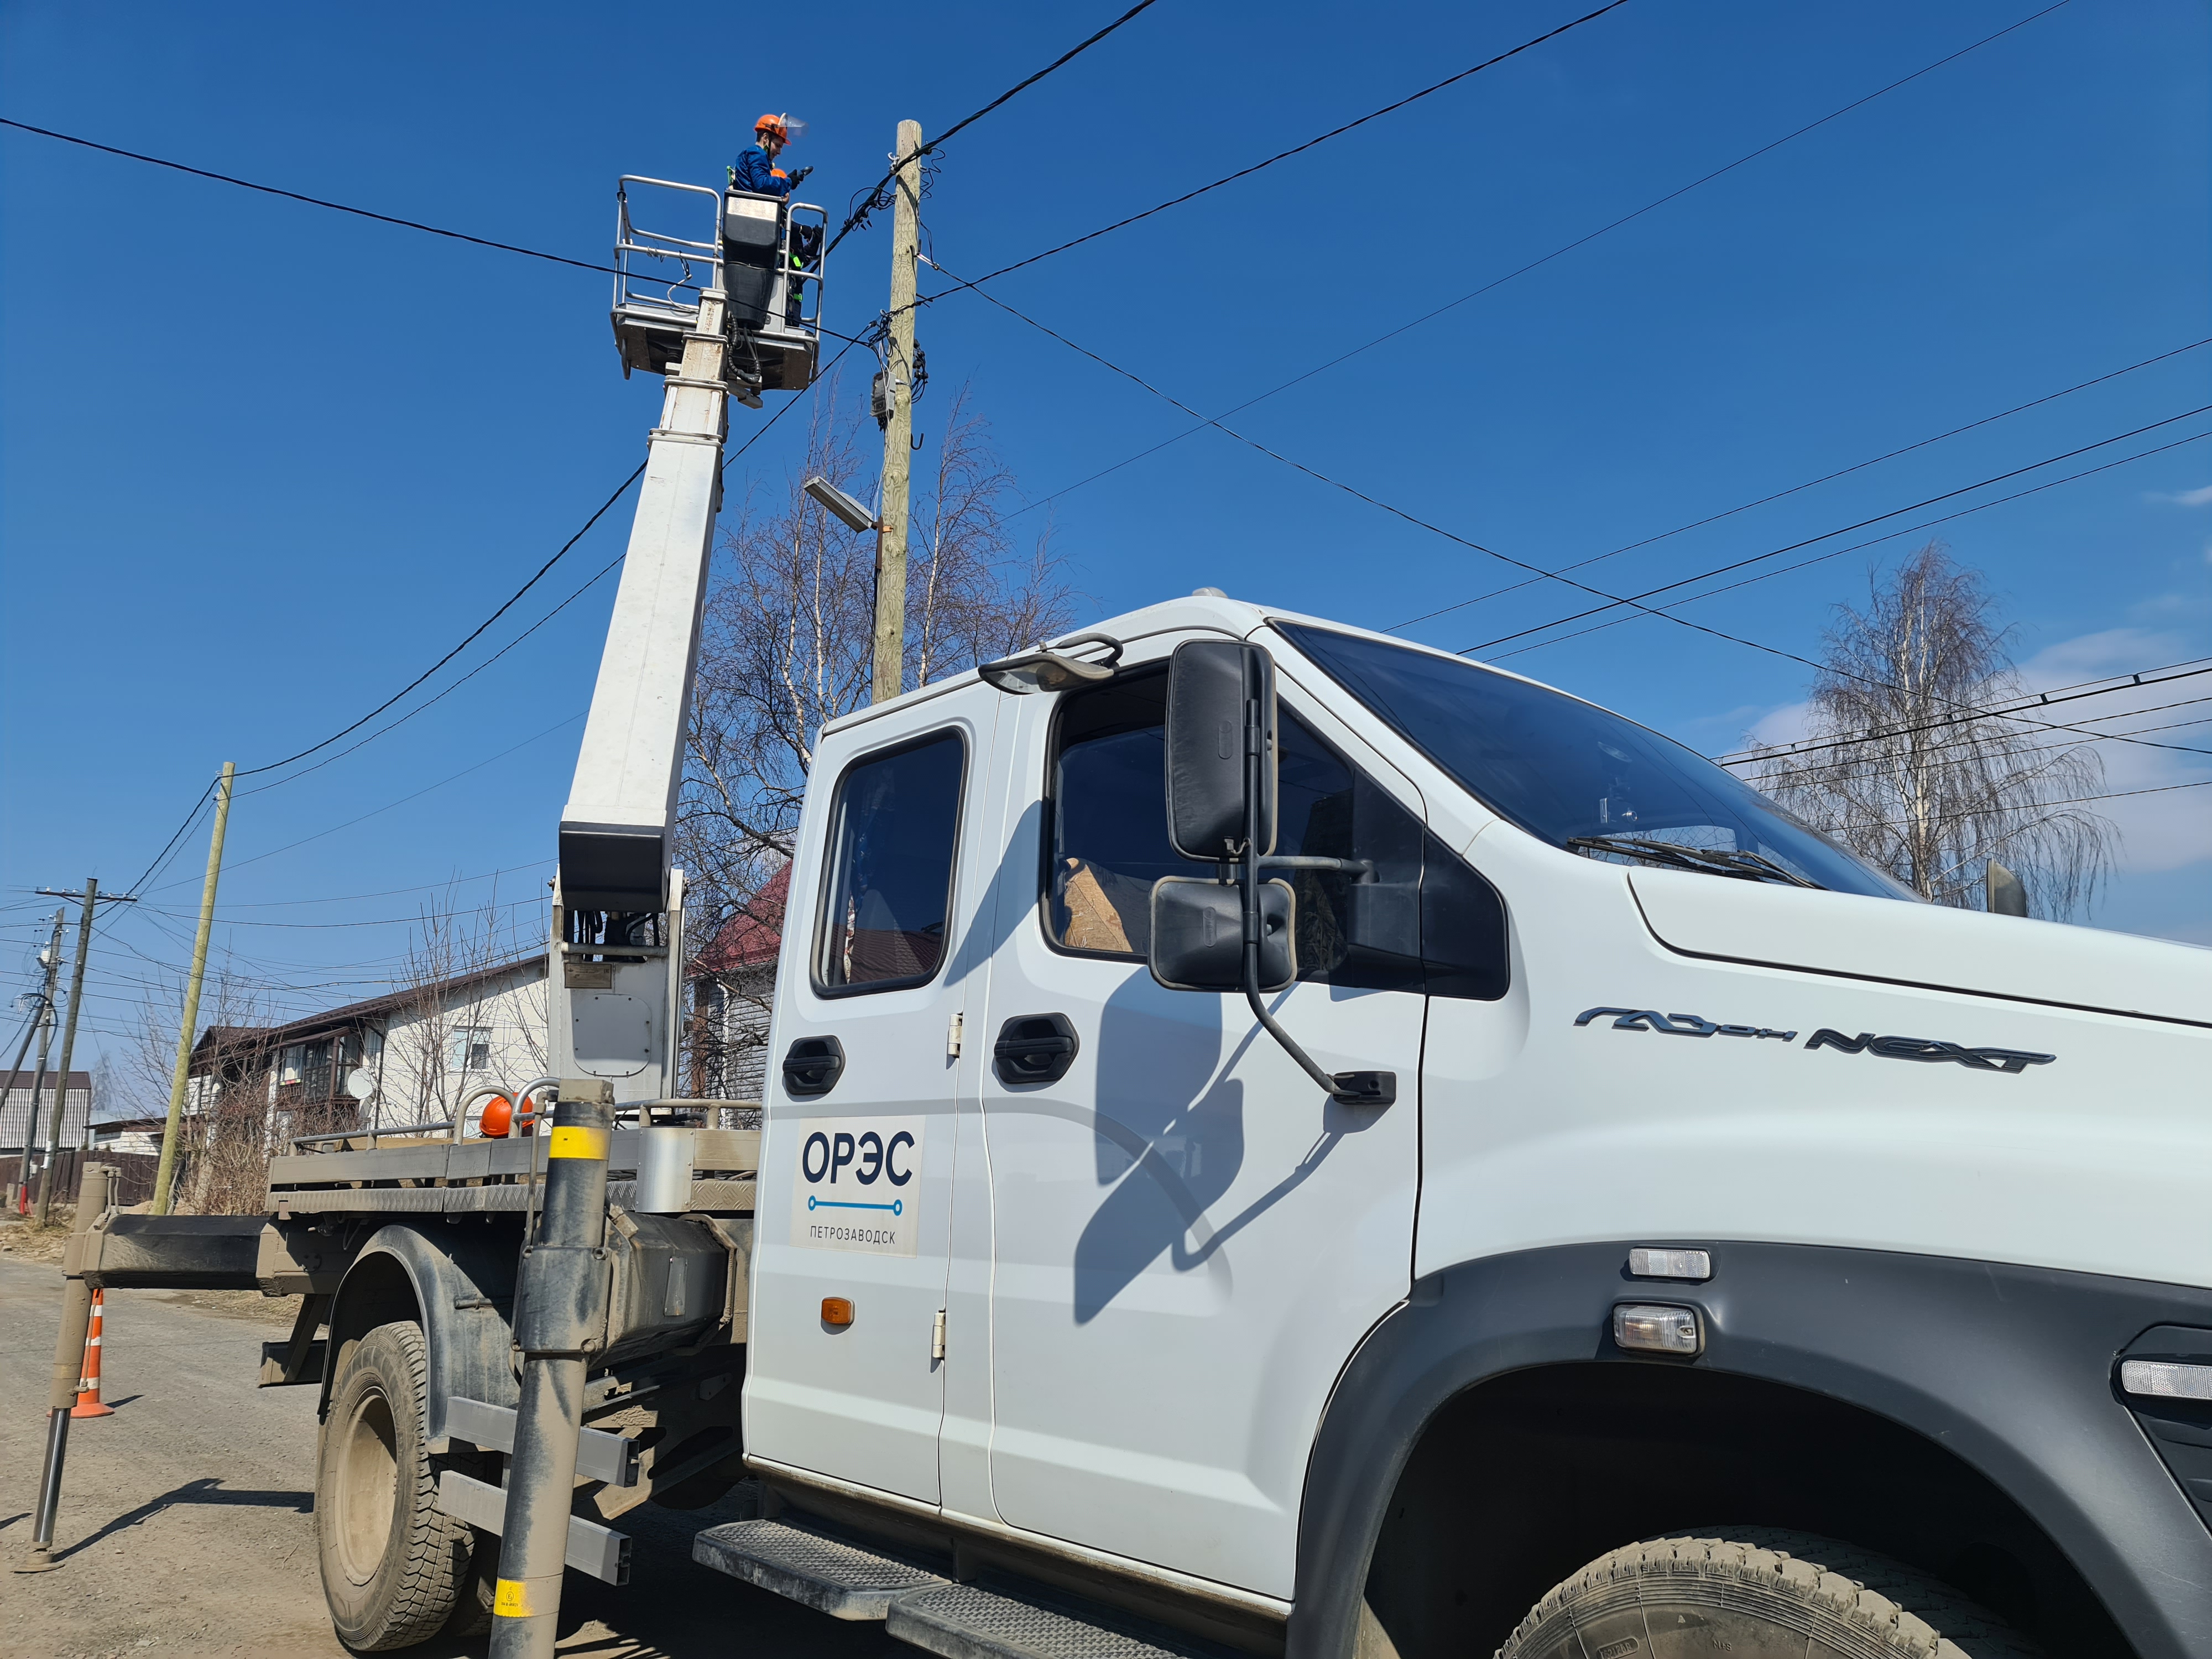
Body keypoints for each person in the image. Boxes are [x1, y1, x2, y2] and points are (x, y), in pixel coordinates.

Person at [730, 113, 812, 199]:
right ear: (766, 138)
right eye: (777, 145)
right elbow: (762, 184)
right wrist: (789, 182)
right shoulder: (758, 154)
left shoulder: (751, 154)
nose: (779, 152)